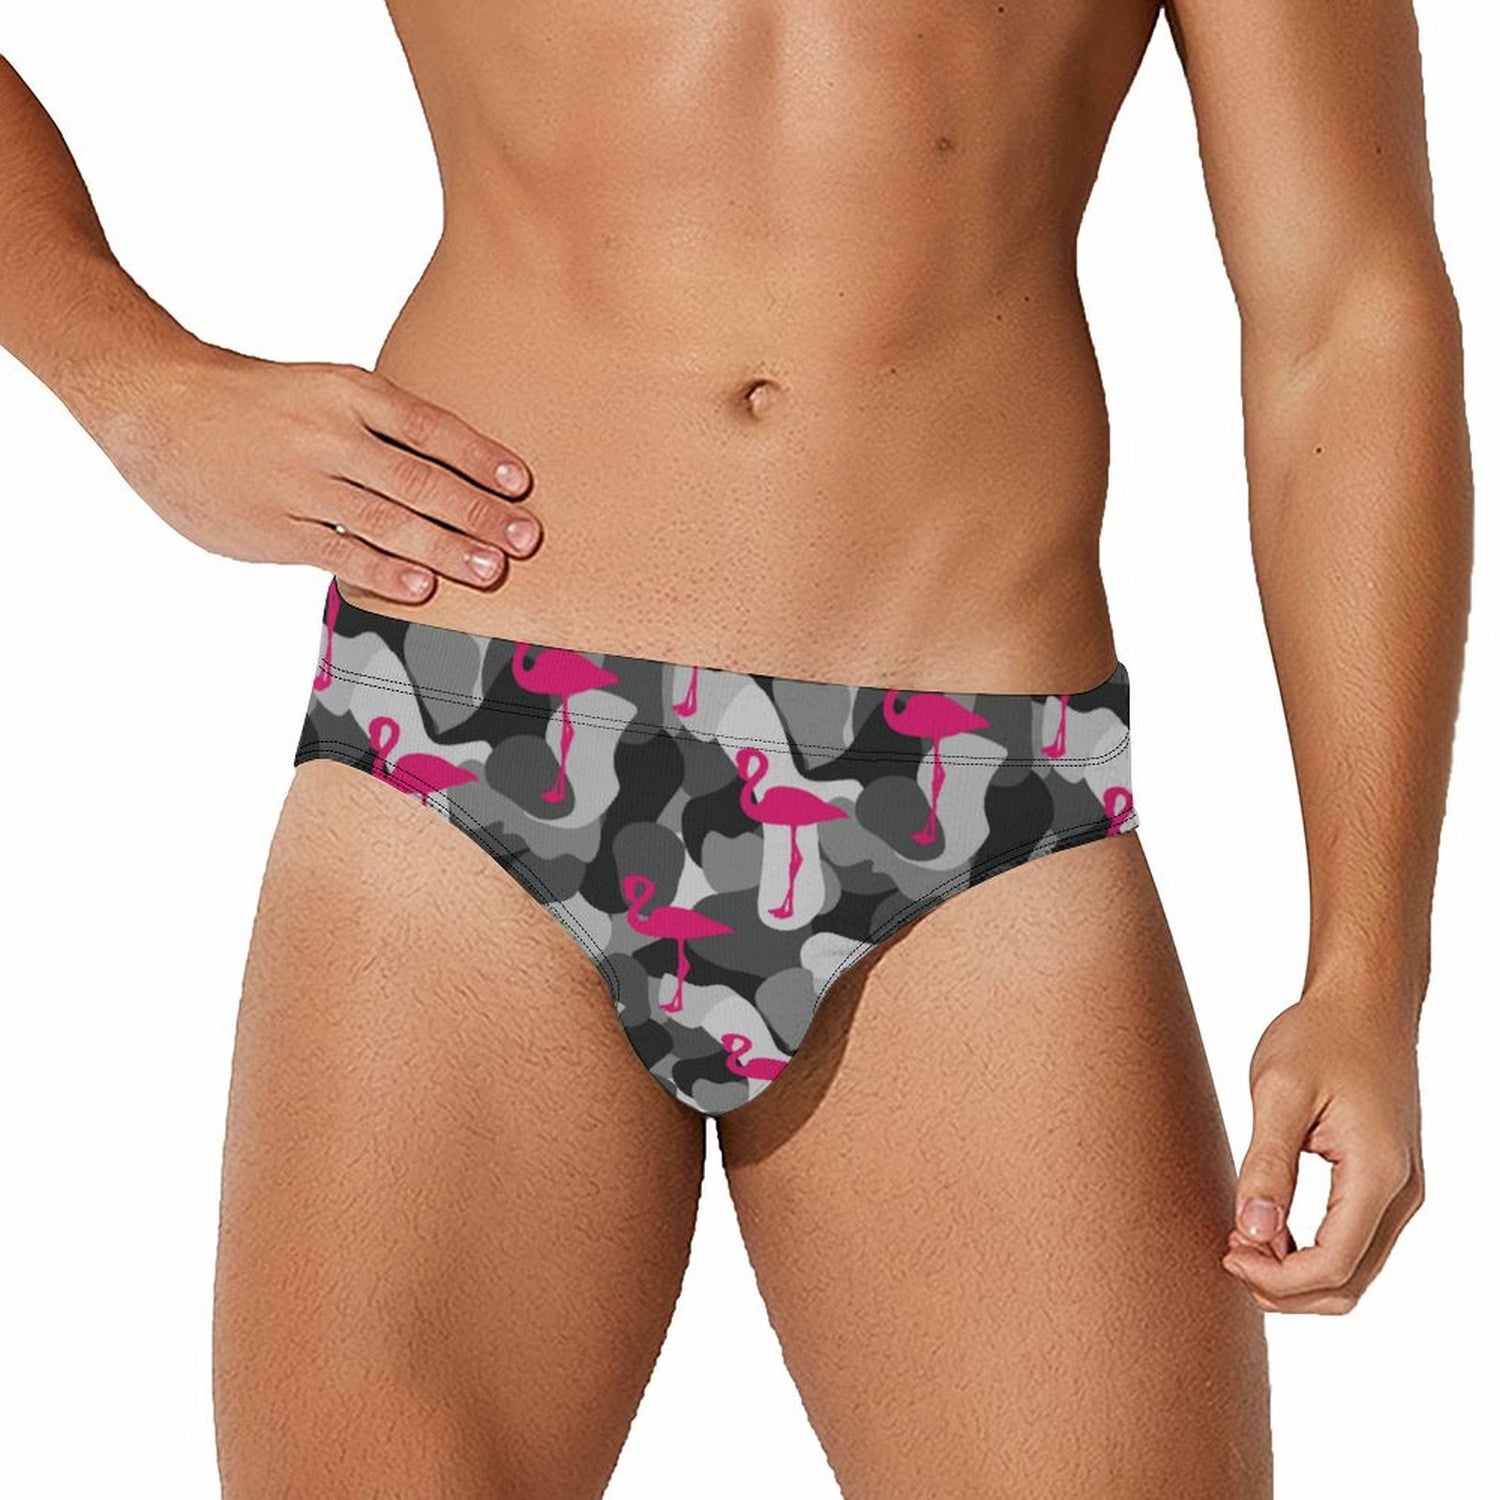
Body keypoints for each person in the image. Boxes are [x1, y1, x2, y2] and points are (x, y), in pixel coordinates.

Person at [0, 1, 1472, 1494]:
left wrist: (1368, 970)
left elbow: (1343, 313)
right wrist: (134, 381)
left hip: (970, 789)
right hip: (466, 744)